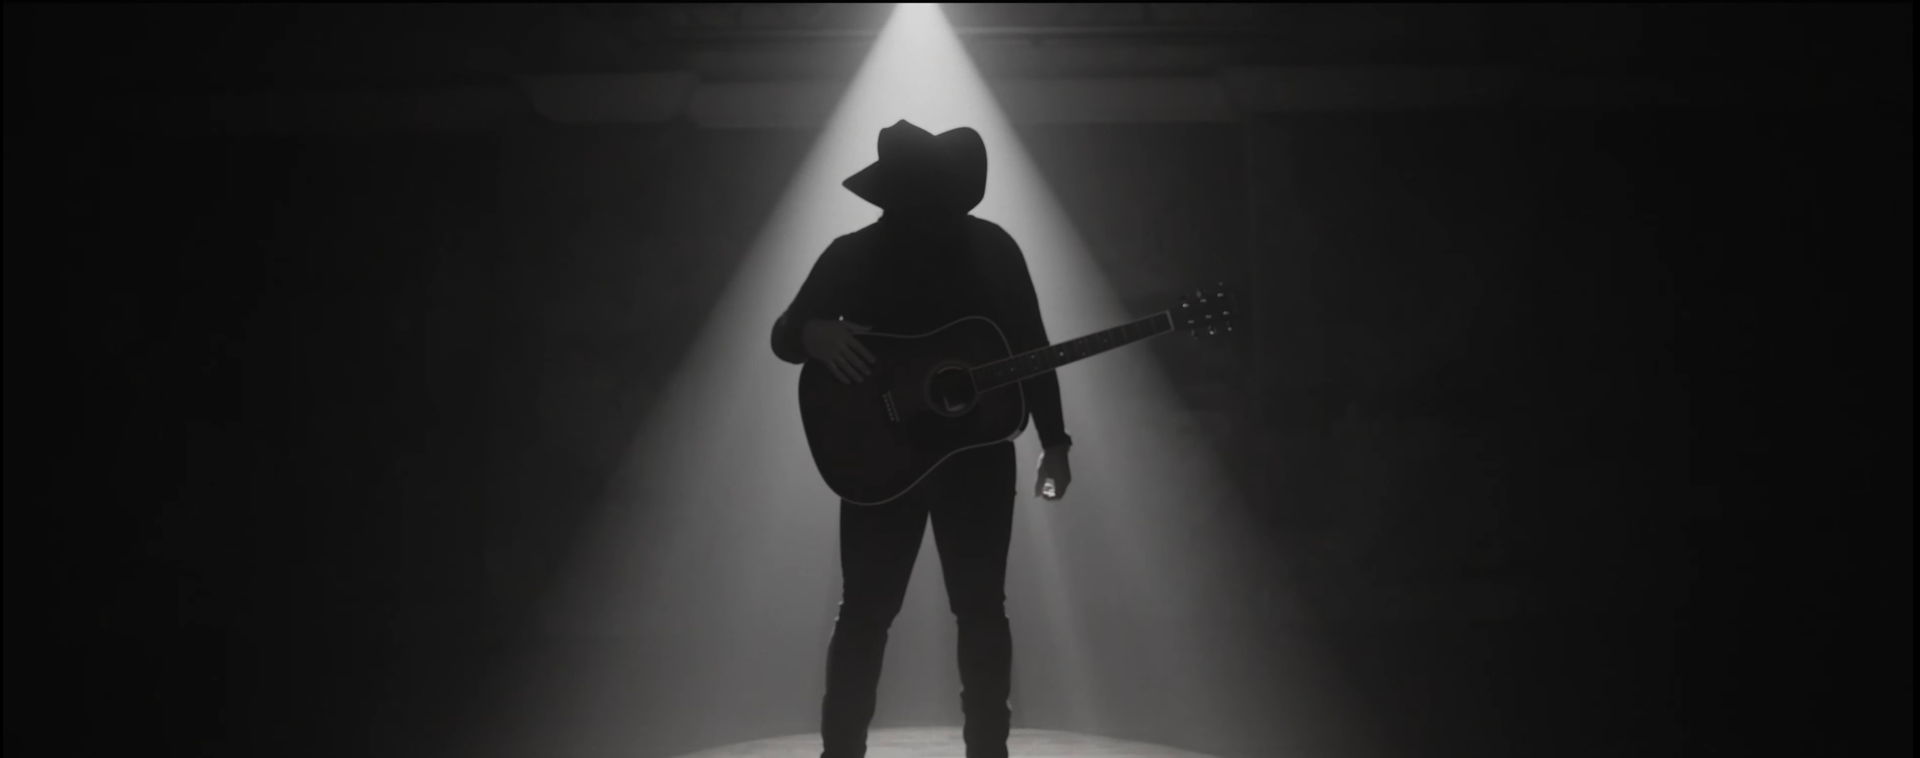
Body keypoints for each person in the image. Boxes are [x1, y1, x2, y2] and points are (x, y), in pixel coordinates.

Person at [770, 120, 1075, 758]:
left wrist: (1055, 442)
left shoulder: (993, 249)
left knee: (977, 611)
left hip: (976, 455)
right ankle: (841, 753)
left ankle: (985, 752)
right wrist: (812, 333)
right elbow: (783, 335)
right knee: (870, 615)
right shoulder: (852, 253)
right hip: (877, 455)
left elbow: (1033, 347)